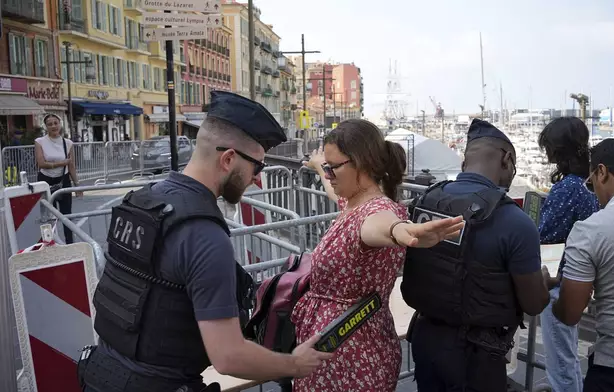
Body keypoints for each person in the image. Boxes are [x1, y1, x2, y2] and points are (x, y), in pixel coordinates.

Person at [78, 91, 334, 392]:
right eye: (257, 167)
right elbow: (228, 357)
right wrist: (295, 363)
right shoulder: (205, 237)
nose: (256, 180)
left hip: (100, 375)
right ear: (228, 159)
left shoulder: (144, 200)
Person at [294, 119, 465, 392]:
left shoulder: (376, 212)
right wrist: (317, 164)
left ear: (361, 163)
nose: (328, 175)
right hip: (342, 347)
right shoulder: (353, 201)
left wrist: (403, 231)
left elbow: (383, 225)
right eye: (326, 168)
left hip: (350, 356)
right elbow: (336, 194)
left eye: (332, 167)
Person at [403, 119, 551, 392]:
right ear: (506, 159)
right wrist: (543, 280)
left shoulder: (427, 201)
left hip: (426, 341)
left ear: (465, 161)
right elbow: (533, 304)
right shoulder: (515, 222)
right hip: (477, 356)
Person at [552, 138, 614, 392]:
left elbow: (570, 314)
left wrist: (549, 290)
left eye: (591, 181)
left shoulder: (591, 230)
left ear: (601, 172)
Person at [537, 117, 600, 392]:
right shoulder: (590, 183)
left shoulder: (568, 188)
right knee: (569, 358)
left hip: (557, 283)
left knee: (560, 364)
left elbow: (546, 236)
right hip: (581, 279)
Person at [34, 113, 82, 244]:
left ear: (60, 124)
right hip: (45, 180)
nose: (53, 126)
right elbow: (41, 163)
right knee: (49, 217)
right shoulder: (40, 142)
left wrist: (77, 185)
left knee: (67, 215)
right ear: (46, 127)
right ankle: (50, 244)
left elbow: (71, 165)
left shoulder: (68, 143)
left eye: (56, 123)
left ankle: (70, 243)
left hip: (63, 179)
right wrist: (62, 163)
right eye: (50, 124)